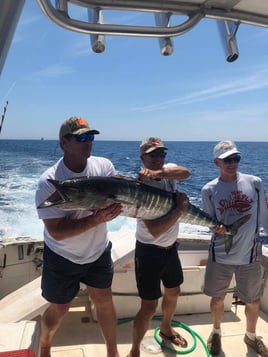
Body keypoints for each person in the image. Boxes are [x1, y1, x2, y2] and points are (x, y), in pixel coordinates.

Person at [35, 116, 122, 357]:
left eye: (90, 137)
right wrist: (97, 218)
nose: (88, 142)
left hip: (97, 251)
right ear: (64, 143)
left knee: (104, 300)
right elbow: (56, 231)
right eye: (81, 138)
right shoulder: (49, 183)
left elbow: (116, 200)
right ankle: (45, 344)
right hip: (63, 255)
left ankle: (112, 353)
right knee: (60, 308)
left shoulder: (104, 167)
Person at [202, 140, 268, 356]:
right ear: (216, 162)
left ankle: (251, 335)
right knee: (218, 298)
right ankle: (216, 332)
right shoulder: (209, 189)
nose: (232, 163)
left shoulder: (255, 183)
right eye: (227, 160)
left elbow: (264, 215)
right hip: (219, 255)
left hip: (250, 255)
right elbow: (209, 220)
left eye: (235, 158)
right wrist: (216, 228)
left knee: (254, 299)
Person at [127, 137, 191, 357]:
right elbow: (154, 230)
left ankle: (165, 327)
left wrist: (159, 173)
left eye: (162, 154)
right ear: (142, 157)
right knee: (148, 306)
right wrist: (180, 209)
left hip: (171, 248)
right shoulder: (139, 184)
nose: (158, 158)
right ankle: (134, 350)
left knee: (174, 291)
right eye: (153, 155)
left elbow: (186, 173)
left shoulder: (167, 170)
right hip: (149, 251)